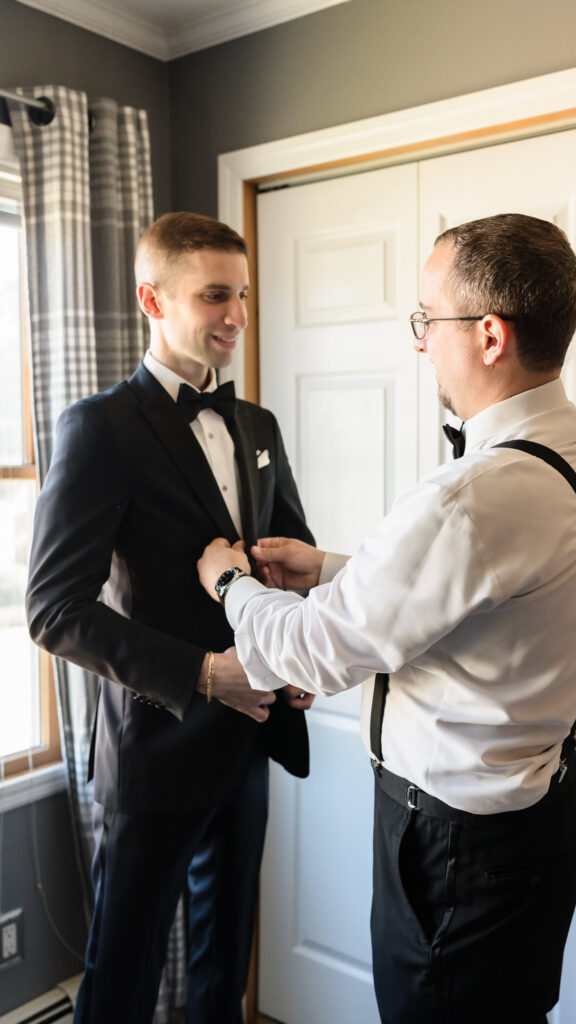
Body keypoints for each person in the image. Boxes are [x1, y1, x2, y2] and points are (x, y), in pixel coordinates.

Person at [196, 213, 576, 1024]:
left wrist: (229, 585)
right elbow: (487, 600)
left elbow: (316, 654)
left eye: (429, 319)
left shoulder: (474, 495)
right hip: (541, 816)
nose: (421, 341)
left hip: (459, 852)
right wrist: (327, 569)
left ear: (490, 335)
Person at [26, 212, 315, 1024]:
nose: (238, 316)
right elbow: (55, 609)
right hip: (154, 747)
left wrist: (299, 655)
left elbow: (289, 556)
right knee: (124, 973)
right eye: (216, 295)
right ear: (153, 299)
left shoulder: (258, 426)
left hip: (250, 737)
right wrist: (202, 674)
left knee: (224, 968)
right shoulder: (100, 429)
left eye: (245, 294)